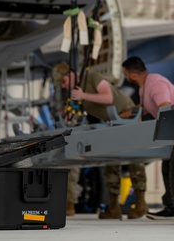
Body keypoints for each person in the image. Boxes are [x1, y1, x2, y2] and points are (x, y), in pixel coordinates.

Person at [54, 62, 147, 220]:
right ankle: (114, 207)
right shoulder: (76, 93)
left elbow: (108, 96)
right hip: (111, 124)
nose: (63, 86)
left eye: (63, 82)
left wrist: (83, 96)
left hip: (128, 116)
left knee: (134, 159)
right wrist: (68, 110)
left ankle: (140, 204)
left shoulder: (92, 77)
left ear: (70, 75)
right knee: (111, 163)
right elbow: (72, 115)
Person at [120, 56, 174, 218]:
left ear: (133, 75)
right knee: (169, 167)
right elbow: (142, 108)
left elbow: (165, 107)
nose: (126, 78)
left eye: (126, 74)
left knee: (171, 167)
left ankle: (172, 207)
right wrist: (119, 116)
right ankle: (172, 206)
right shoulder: (146, 86)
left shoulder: (156, 83)